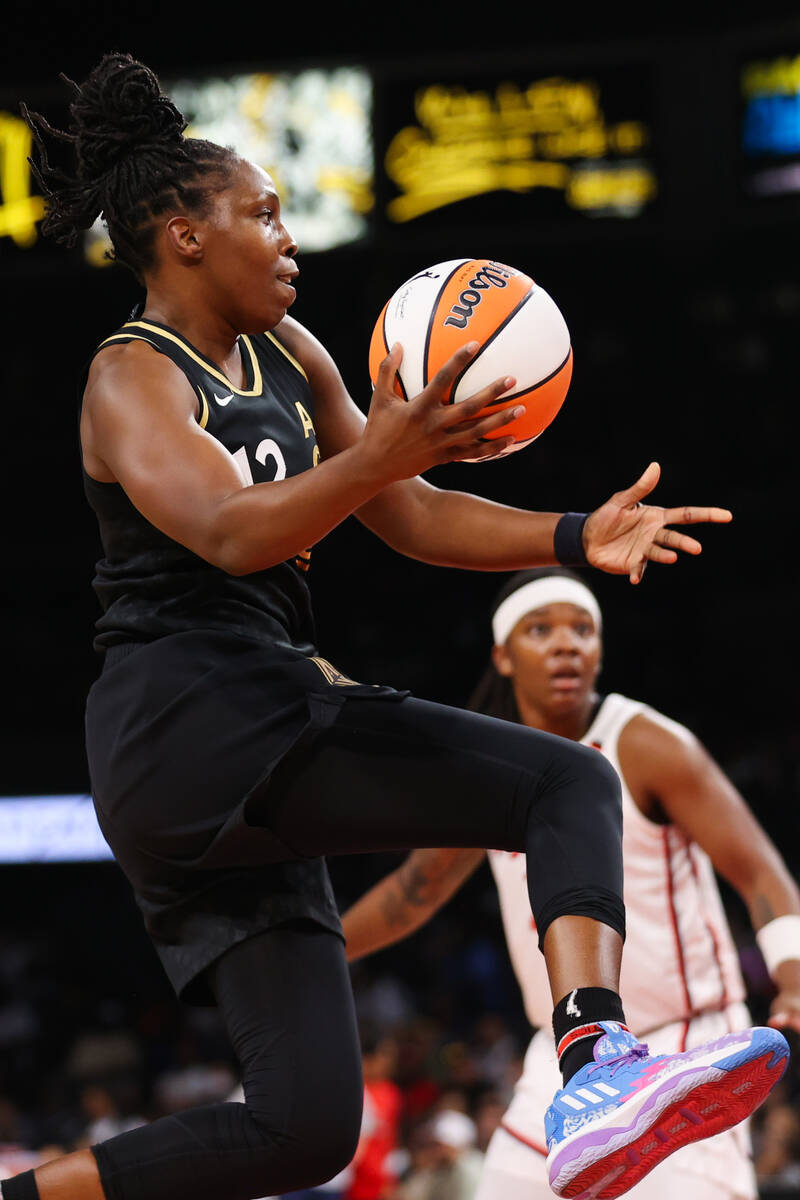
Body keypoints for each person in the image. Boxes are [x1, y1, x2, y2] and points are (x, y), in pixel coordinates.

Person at [12, 51, 786, 1200]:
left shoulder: (293, 353)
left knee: (303, 1128)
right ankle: (594, 1065)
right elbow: (229, 531)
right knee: (567, 785)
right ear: (183, 235)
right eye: (262, 215)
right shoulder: (130, 375)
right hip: (192, 718)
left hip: (230, 757)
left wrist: (575, 534)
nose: (286, 238)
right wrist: (378, 450)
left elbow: (411, 515)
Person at [341, 568, 800, 1199]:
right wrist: (314, 954)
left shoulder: (645, 743)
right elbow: (412, 893)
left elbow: (760, 871)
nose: (567, 644)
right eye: (541, 630)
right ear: (503, 656)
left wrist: (794, 976)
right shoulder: (491, 774)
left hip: (684, 1040)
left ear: (601, 650)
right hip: (565, 1059)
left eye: (583, 629)